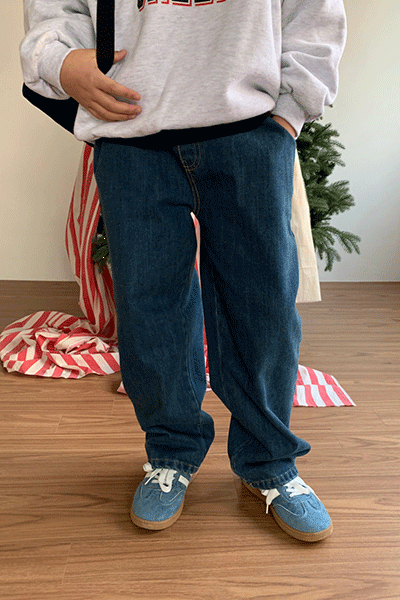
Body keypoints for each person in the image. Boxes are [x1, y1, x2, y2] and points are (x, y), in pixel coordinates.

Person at [20, 0, 347, 542]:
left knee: (262, 306)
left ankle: (270, 461)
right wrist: (58, 60)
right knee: (149, 308)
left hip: (251, 128)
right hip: (130, 137)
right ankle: (170, 453)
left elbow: (314, 10)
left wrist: (292, 109)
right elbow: (56, 9)